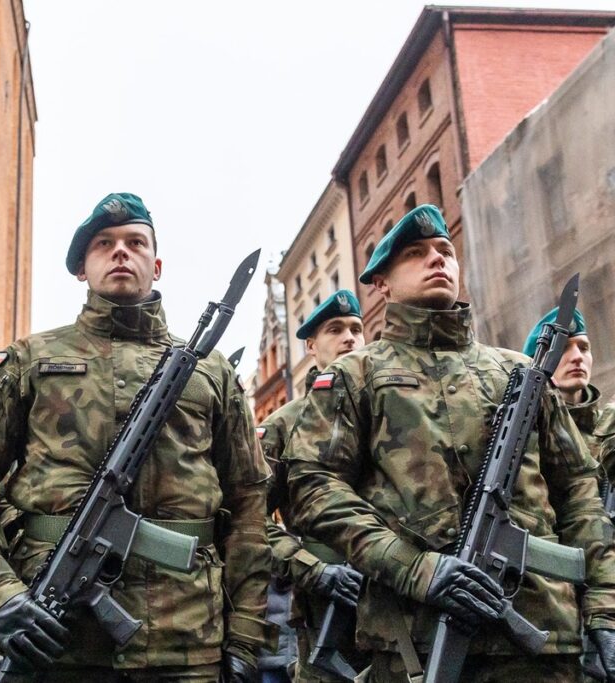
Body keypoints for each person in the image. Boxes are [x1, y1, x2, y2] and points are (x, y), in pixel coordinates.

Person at [0, 192, 272, 681]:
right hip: (52, 636)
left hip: (186, 638)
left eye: (135, 242)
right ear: (81, 268)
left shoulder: (210, 371)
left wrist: (245, 634)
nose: (120, 252)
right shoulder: (30, 359)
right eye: (104, 243)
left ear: (156, 266)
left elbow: (249, 503)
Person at [283, 204, 615, 682]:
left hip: (543, 641)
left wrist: (603, 606)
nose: (437, 259)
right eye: (416, 254)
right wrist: (417, 569)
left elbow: (580, 492)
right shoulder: (354, 377)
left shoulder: (519, 374)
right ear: (382, 284)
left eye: (445, 251)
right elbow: (313, 489)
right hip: (416, 640)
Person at [258, 290, 365, 682]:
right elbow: (249, 520)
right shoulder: (283, 425)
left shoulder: (391, 411)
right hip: (325, 612)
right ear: (311, 346)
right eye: (335, 330)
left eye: (357, 328)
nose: (350, 338)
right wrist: (312, 569)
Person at [523, 308, 615, 468]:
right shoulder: (530, 437)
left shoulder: (609, 424)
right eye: (563, 348)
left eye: (584, 348)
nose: (578, 357)